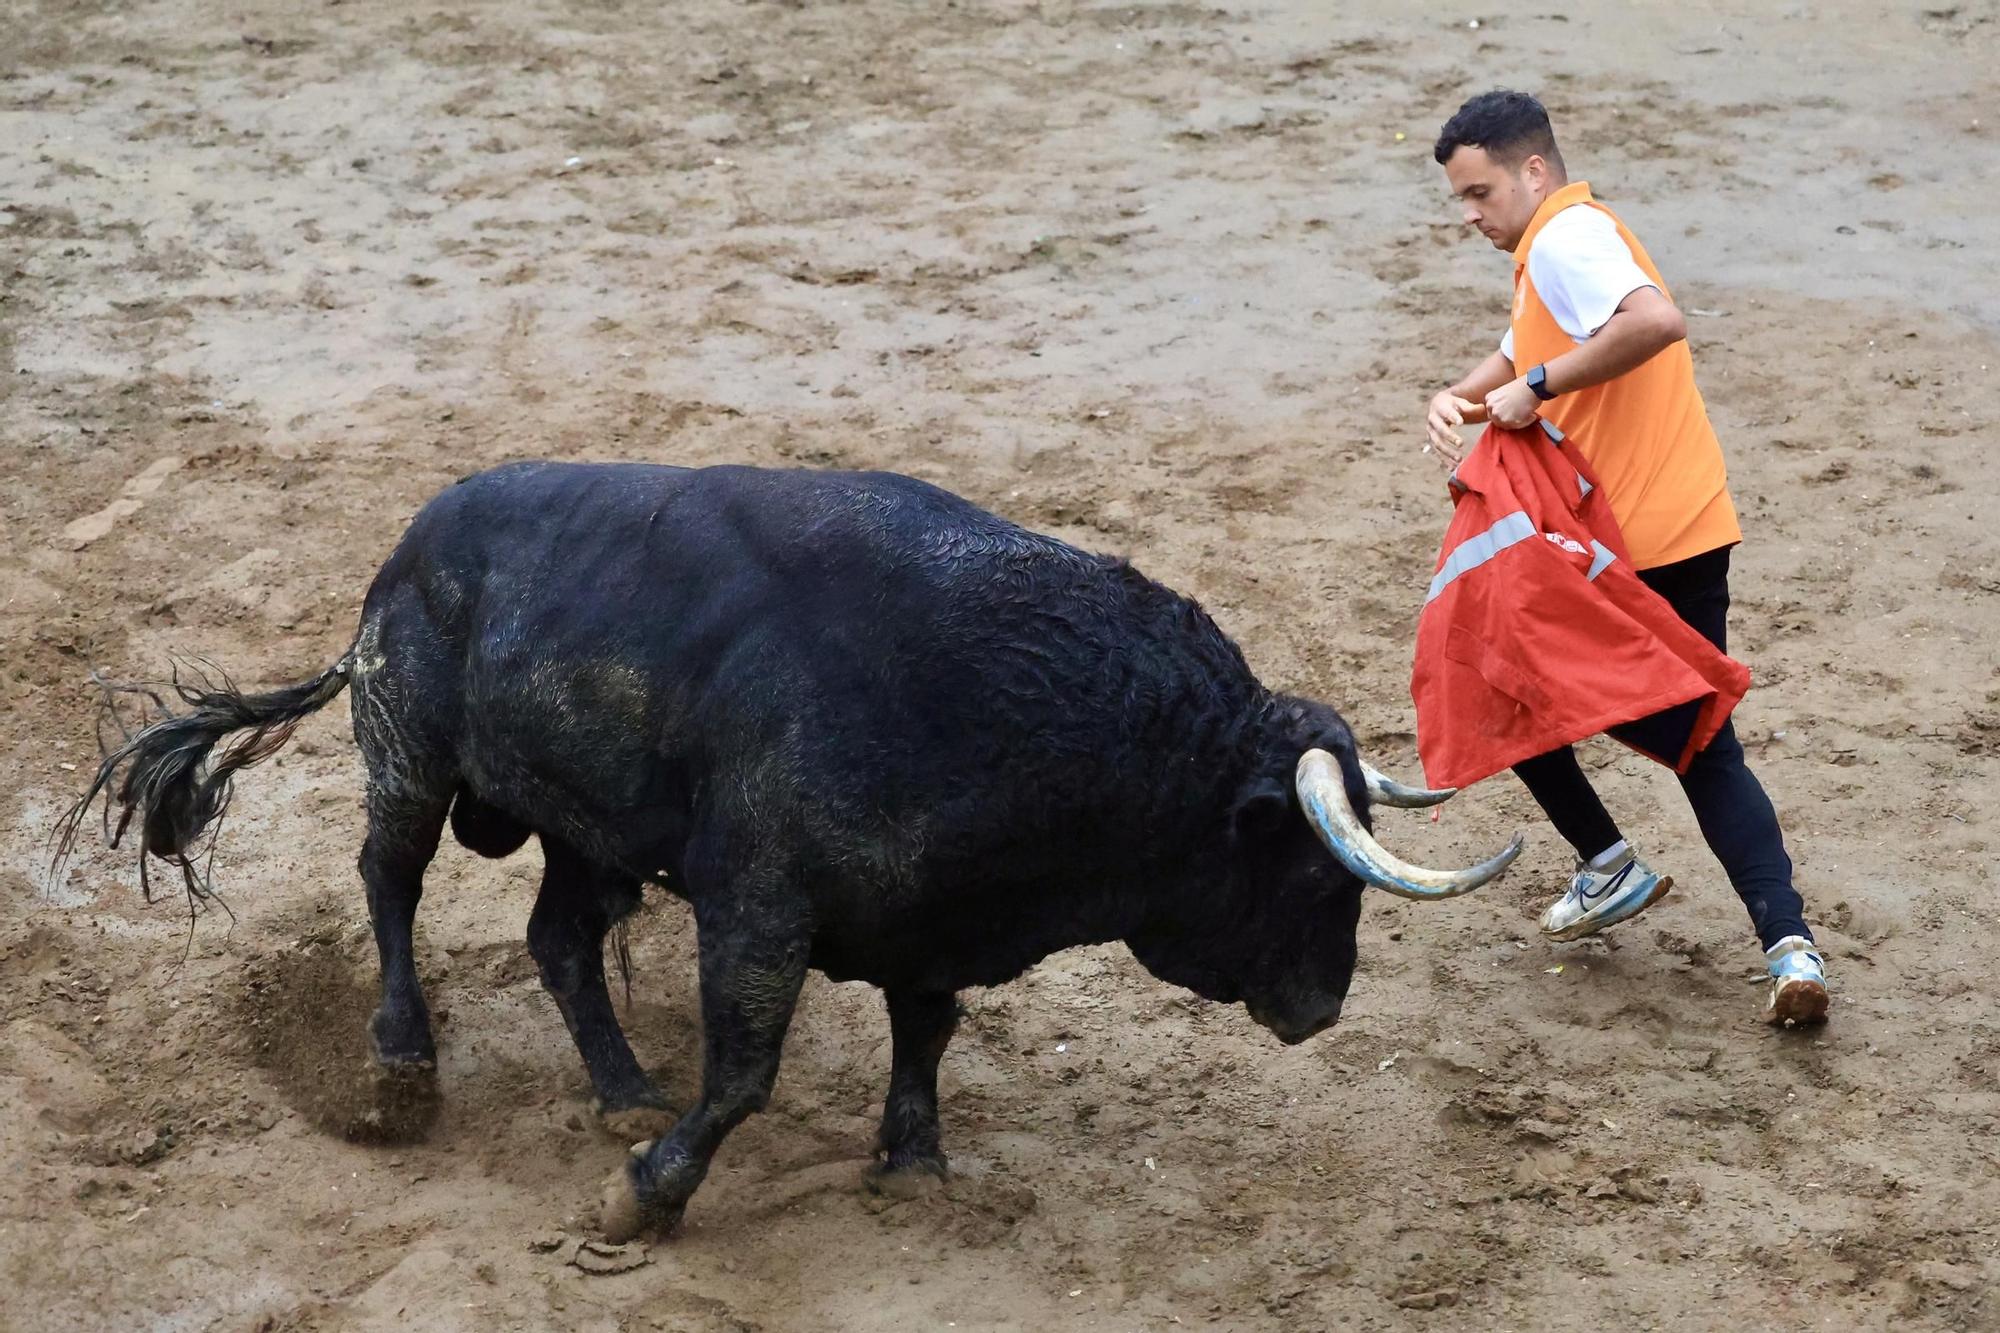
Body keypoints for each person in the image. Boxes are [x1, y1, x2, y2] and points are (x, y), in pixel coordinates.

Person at [1422, 89, 1827, 1025]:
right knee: (1703, 748)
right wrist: (1462, 392)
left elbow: (1653, 321)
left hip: (1618, 552)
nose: (1472, 216)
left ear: (1533, 171)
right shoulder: (1557, 247)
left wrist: (1537, 387)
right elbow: (1527, 342)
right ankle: (1790, 948)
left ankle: (1605, 862)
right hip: (1693, 526)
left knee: (1494, 681)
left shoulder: (1567, 238)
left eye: (1479, 194)